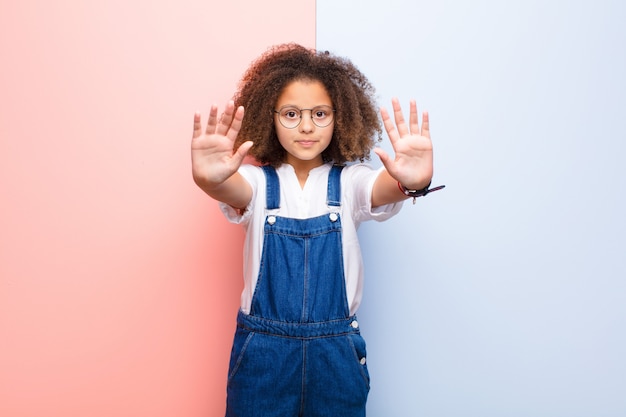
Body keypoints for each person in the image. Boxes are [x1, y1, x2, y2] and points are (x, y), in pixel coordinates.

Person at [191, 43, 442, 417]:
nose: (306, 126)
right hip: (264, 353)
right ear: (270, 117)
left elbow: (382, 188)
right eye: (291, 113)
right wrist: (209, 181)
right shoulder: (257, 183)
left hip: (336, 354)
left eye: (320, 113)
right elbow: (229, 188)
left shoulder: (350, 183)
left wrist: (411, 183)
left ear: (340, 117)